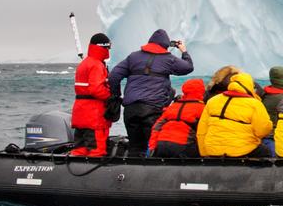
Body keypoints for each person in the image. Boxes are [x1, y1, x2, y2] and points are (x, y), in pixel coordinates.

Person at [108, 29, 194, 157]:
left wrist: (116, 95)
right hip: (152, 109)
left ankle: (131, 174)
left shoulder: (133, 57)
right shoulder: (168, 59)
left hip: (131, 109)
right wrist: (184, 51)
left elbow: (114, 76)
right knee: (153, 148)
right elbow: (188, 67)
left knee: (135, 148)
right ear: (165, 45)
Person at [196, 72, 273, 158]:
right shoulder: (255, 104)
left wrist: (204, 153)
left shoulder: (213, 100)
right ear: (250, 86)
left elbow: (202, 130)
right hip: (242, 150)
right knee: (266, 151)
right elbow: (262, 131)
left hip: (212, 149)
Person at [70, 33, 113, 157]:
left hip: (80, 112)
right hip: (94, 114)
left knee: (80, 149)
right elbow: (96, 89)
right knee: (96, 151)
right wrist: (110, 97)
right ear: (102, 47)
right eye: (108, 47)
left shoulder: (83, 64)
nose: (108, 50)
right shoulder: (96, 65)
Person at [148, 78, 206, 158]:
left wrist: (152, 148)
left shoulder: (172, 106)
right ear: (202, 91)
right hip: (183, 147)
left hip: (161, 144)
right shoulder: (202, 108)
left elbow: (156, 127)